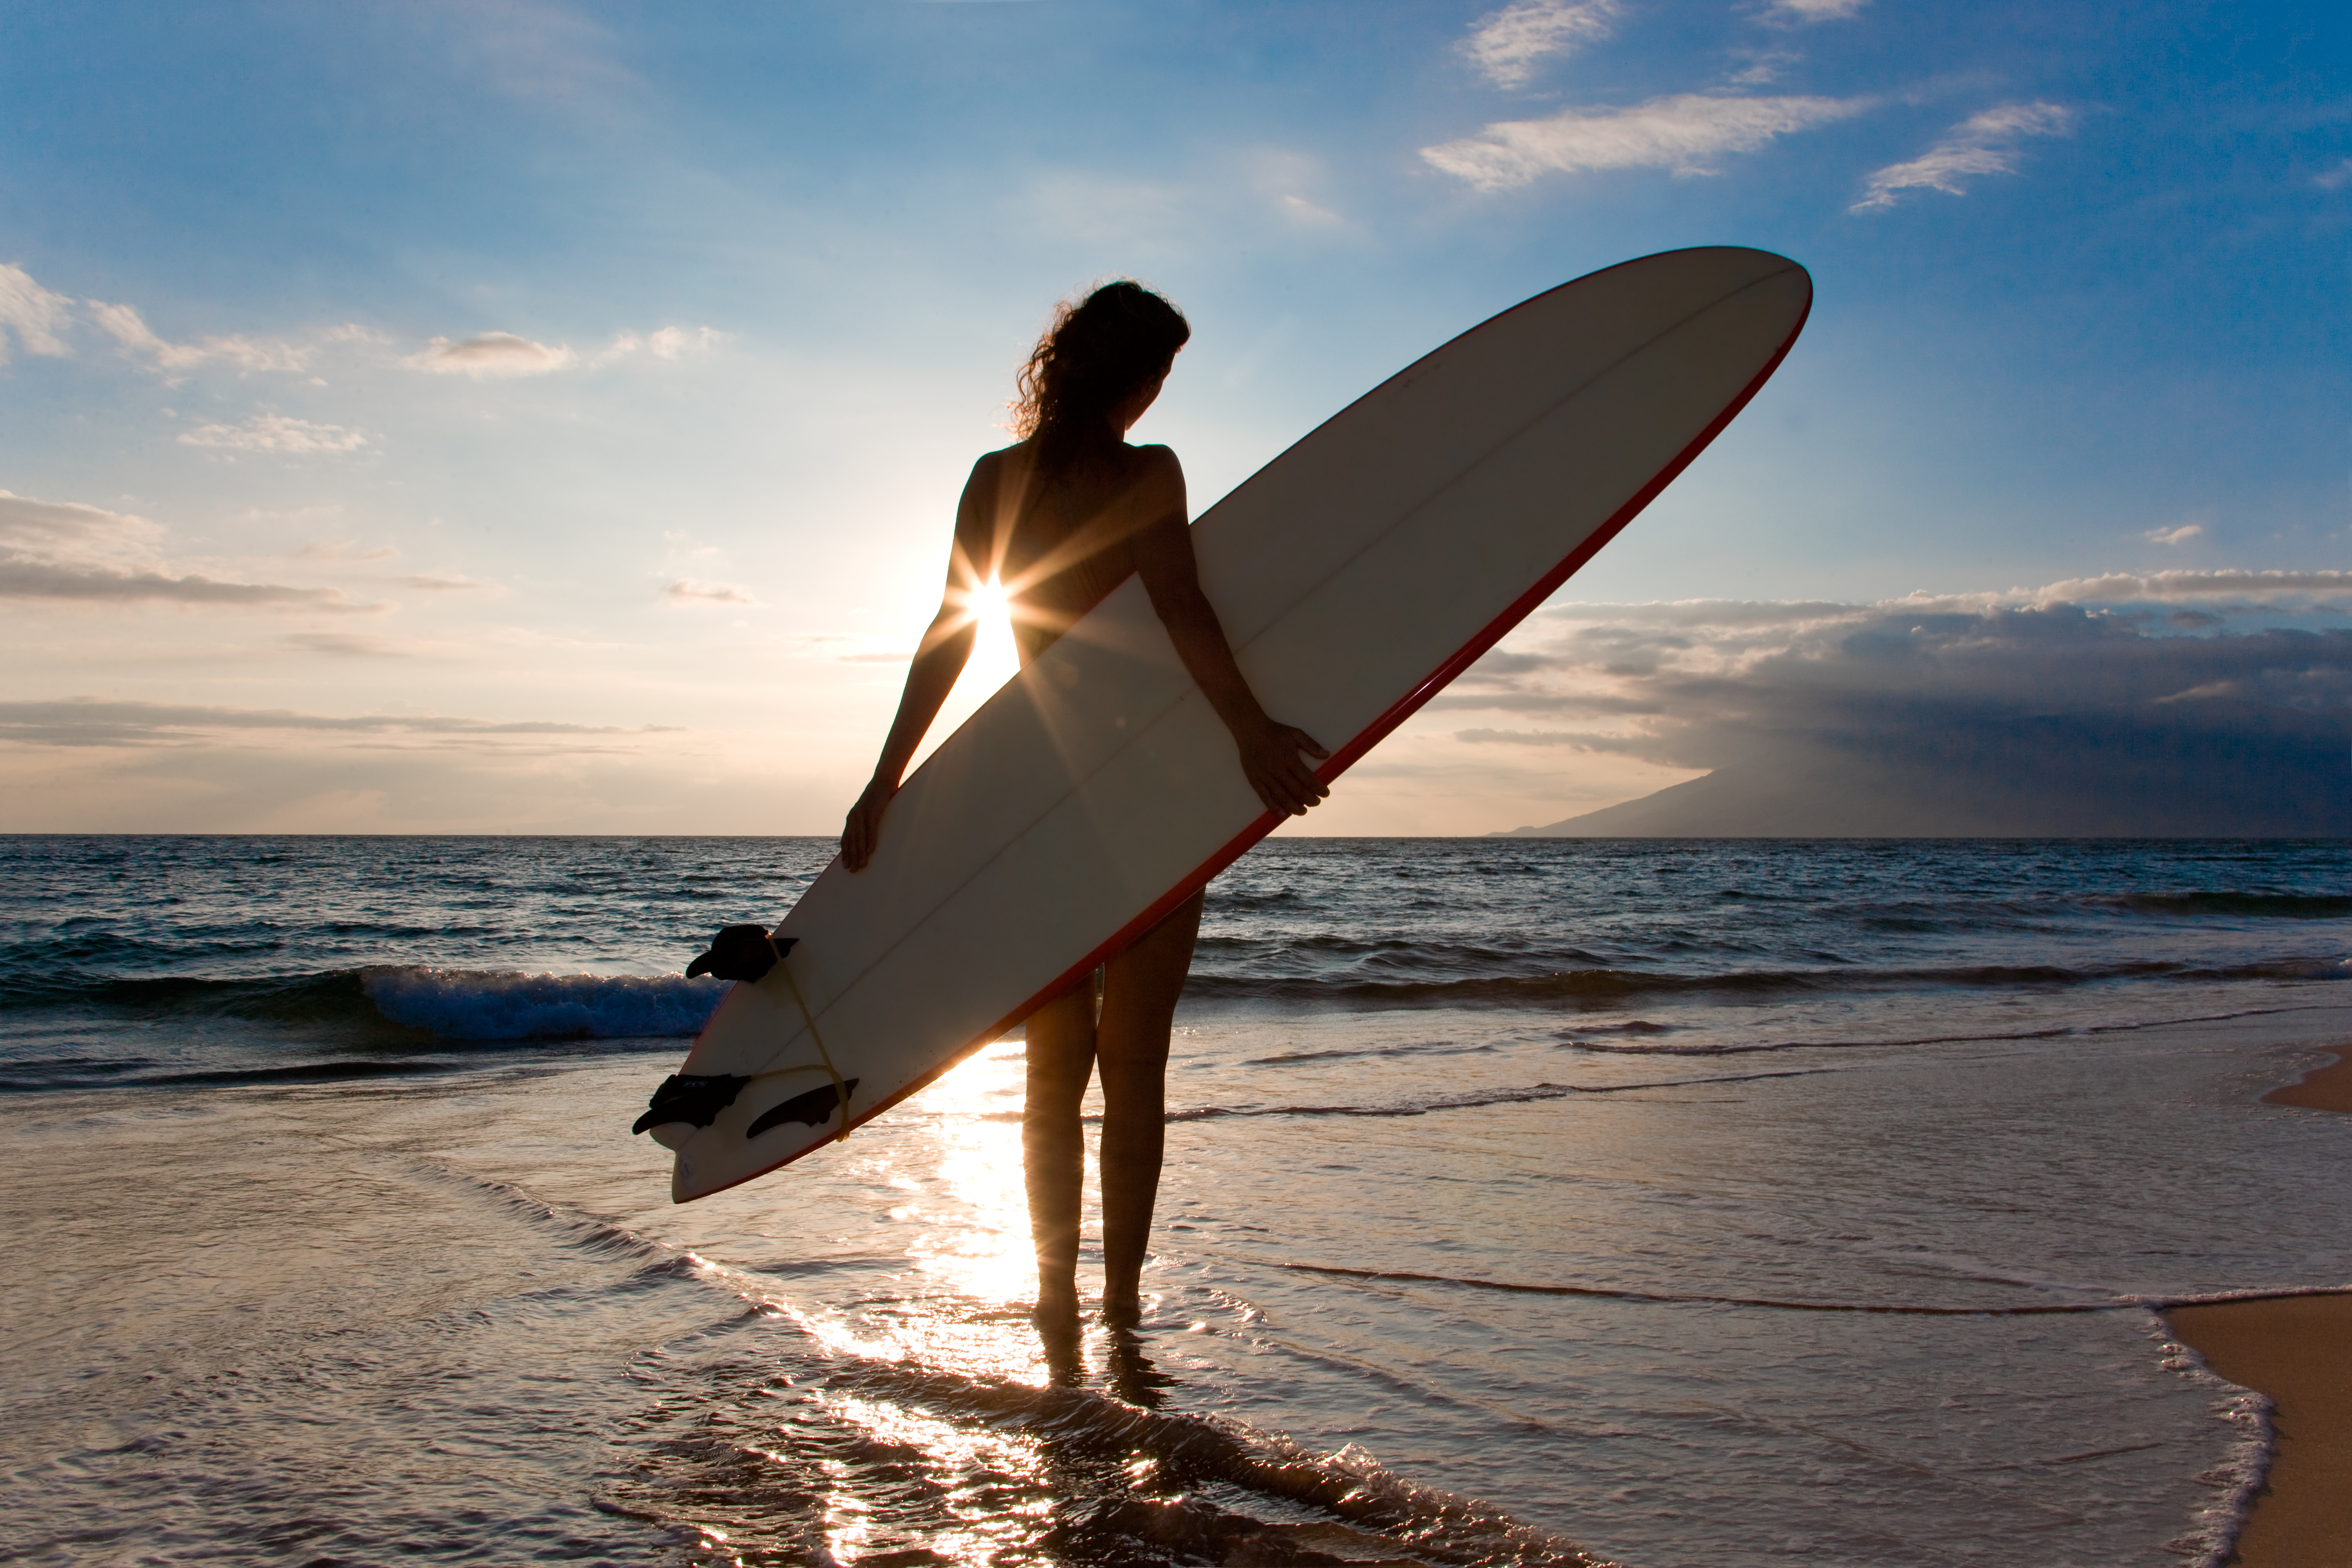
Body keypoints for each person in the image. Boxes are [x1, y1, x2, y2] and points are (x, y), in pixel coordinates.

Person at [840, 281, 1328, 1330]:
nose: (1161, 393)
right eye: (1162, 372)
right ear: (1135, 376)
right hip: (1153, 794)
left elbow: (955, 629)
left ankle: (1055, 1301)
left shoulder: (996, 479)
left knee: (1053, 1070)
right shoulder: (1147, 472)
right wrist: (1248, 730)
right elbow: (1182, 606)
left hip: (1042, 798)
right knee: (1135, 1065)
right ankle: (1122, 1311)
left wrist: (887, 776)